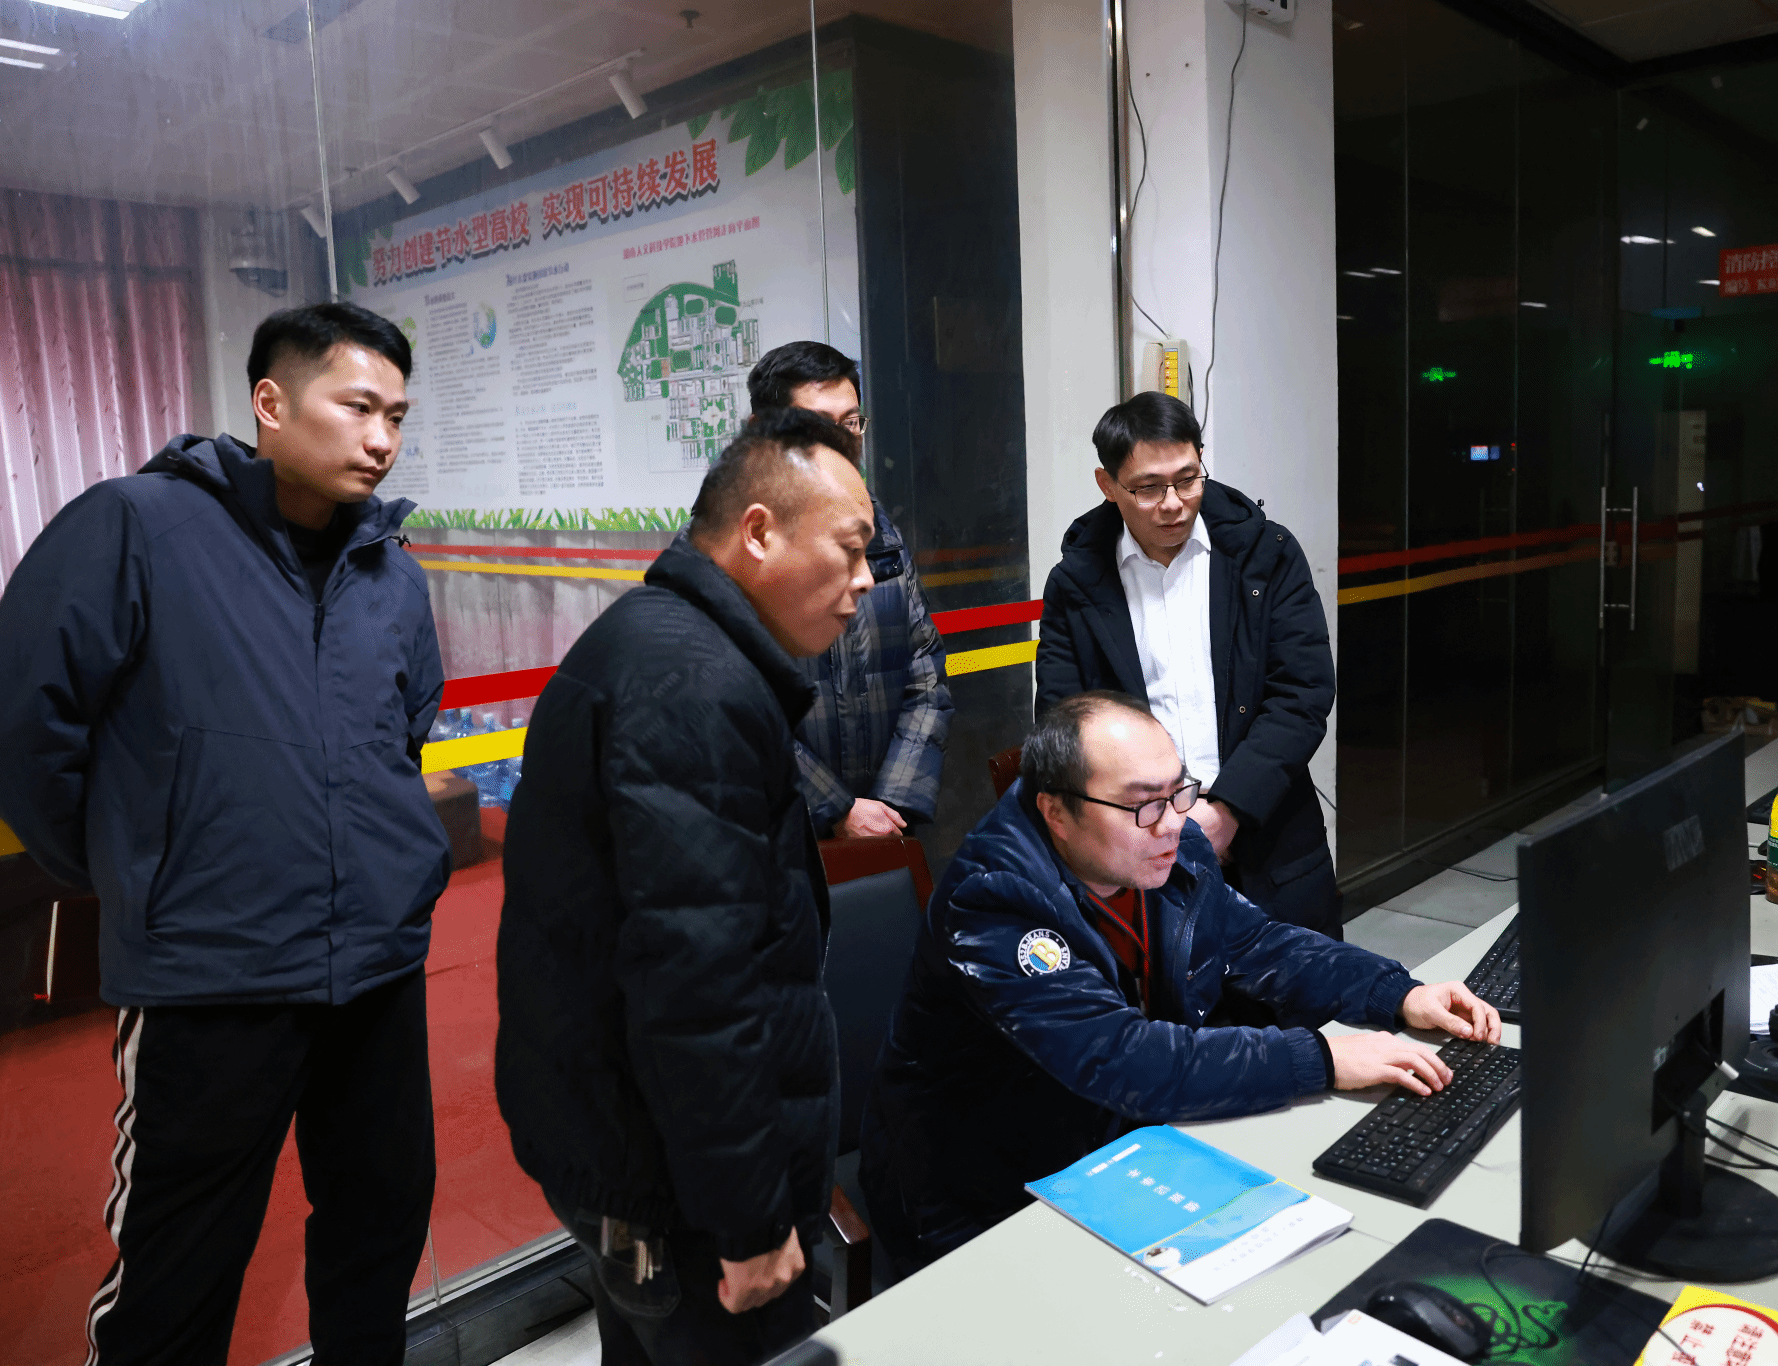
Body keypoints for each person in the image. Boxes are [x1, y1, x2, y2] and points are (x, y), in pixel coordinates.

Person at [0, 303, 447, 1366]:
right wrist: (130, 866)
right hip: (211, 970)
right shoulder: (139, 526)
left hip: (375, 964)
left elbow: (403, 734)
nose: (381, 438)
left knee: (379, 1232)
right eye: (357, 406)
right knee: (178, 1272)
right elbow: (17, 715)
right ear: (271, 403)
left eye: (397, 416)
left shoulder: (392, 570)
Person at [859, 691, 1499, 1273]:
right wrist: (1323, 1058)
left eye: (1179, 792)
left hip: (1122, 1144)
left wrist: (1396, 994)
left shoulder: (1167, 842)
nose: (1171, 822)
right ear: (1056, 811)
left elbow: (1256, 943)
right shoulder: (994, 899)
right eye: (1143, 804)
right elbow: (1122, 1058)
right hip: (986, 1194)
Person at [495, 407, 874, 1366]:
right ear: (759, 532)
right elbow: (698, 986)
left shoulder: (668, 645)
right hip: (679, 1183)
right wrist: (749, 1219)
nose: (866, 580)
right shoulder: (692, 688)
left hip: (636, 1149)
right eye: (851, 548)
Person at [1036, 391, 1343, 935]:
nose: (1174, 503)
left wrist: (1225, 811)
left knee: (1301, 980)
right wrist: (1152, 820)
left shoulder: (1265, 555)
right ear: (1108, 486)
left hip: (1269, 837)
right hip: (1138, 854)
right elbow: (1065, 723)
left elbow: (1302, 692)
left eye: (1188, 479)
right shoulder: (1077, 583)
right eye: (1148, 488)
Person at [747, 340, 952, 840]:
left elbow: (925, 674)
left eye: (851, 422)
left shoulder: (878, 530)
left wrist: (889, 804)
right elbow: (734, 707)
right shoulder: (735, 544)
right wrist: (836, 810)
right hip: (774, 837)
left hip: (884, 828)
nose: (840, 441)